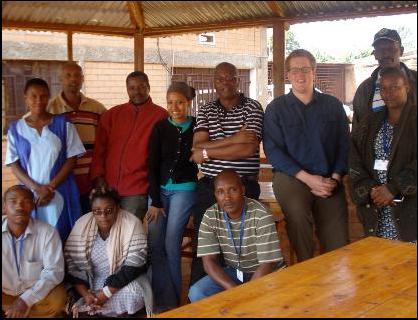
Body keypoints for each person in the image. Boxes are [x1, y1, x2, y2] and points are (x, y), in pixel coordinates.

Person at [263, 49, 350, 263]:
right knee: (297, 212)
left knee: (337, 241)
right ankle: (305, 266)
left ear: (314, 72)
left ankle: (333, 277)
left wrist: (335, 178)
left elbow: (344, 145)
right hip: (292, 177)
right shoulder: (276, 108)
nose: (300, 75)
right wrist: (308, 178)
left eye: (305, 69)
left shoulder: (333, 105)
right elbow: (273, 151)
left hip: (329, 179)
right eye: (294, 70)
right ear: (288, 75)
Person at [189, 62, 264, 285]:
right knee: (204, 243)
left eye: (230, 78)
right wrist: (234, 139)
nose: (225, 83)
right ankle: (201, 300)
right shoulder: (205, 110)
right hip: (210, 185)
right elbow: (197, 146)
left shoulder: (252, 107)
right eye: (220, 79)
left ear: (237, 80)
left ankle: (240, 295)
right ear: (214, 82)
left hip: (243, 186)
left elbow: (248, 148)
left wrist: (208, 150)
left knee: (240, 245)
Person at [5, 78, 85, 241]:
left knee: (64, 236)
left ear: (49, 97)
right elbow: (14, 164)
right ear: (25, 98)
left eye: (43, 96)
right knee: (34, 237)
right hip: (31, 195)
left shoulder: (64, 124)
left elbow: (72, 159)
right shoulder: (15, 129)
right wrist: (36, 188)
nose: (38, 100)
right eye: (33, 96)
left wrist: (49, 187)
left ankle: (63, 267)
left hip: (60, 192)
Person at [188, 169, 284, 302]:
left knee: (272, 303)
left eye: (233, 190)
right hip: (236, 273)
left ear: (243, 190)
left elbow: (268, 264)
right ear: (215, 195)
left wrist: (245, 294)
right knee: (197, 292)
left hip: (267, 273)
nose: (227, 197)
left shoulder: (260, 214)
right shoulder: (210, 215)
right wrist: (233, 290)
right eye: (220, 192)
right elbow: (209, 261)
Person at [146, 82, 198, 312]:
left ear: (188, 103)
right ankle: (160, 299)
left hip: (184, 189)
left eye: (179, 102)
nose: (174, 107)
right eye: (170, 103)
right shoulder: (159, 128)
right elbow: (152, 165)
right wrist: (155, 201)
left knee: (171, 242)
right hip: (159, 192)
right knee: (155, 244)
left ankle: (174, 301)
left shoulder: (197, 126)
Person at [349, 67, 416, 242]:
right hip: (377, 206)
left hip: (409, 206)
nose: (388, 93)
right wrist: (372, 190)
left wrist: (393, 188)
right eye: (383, 88)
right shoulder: (370, 122)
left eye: (395, 87)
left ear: (407, 87)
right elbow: (354, 158)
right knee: (382, 262)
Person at [90, 71, 168, 220]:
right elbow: (100, 150)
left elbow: (163, 156)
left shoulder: (161, 116)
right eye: (132, 88)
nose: (137, 92)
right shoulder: (112, 115)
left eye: (141, 87)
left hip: (137, 189)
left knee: (129, 233)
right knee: (106, 231)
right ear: (126, 89)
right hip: (108, 187)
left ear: (148, 87)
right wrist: (98, 178)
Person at [64, 187, 153, 317]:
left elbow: (134, 267)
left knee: (134, 293)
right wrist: (87, 295)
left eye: (109, 211)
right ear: (92, 211)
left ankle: (92, 309)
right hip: (91, 281)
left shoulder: (131, 223)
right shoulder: (82, 225)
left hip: (123, 281)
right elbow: (74, 266)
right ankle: (94, 306)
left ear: (117, 208)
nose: (103, 216)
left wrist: (105, 294)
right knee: (71, 296)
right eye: (97, 211)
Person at [47, 62, 107, 214]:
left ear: (83, 79)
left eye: (77, 75)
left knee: (91, 223)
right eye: (68, 75)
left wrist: (100, 175)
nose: (73, 79)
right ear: (60, 79)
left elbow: (107, 141)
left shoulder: (97, 109)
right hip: (62, 180)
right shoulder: (49, 109)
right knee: (68, 225)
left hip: (91, 179)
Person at [2, 185, 66, 318]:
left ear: (33, 206)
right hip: (5, 292)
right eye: (13, 201)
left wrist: (25, 300)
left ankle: (15, 312)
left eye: (26, 201)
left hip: (36, 291)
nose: (19, 206)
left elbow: (54, 271)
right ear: (4, 207)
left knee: (58, 300)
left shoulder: (47, 232)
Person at [352, 28, 417, 133]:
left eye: (391, 49)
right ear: (375, 54)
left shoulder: (415, 80)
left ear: (401, 51)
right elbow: (357, 128)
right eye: (380, 50)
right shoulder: (365, 89)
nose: (385, 54)